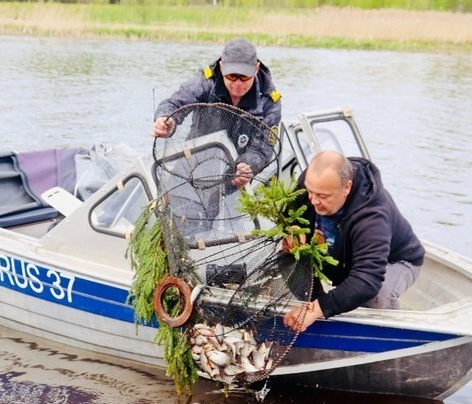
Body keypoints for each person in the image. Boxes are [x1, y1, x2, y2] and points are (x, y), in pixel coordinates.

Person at [282, 150, 425, 332]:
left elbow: (367, 279)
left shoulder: (372, 218)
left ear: (347, 188)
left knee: (377, 297)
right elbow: (291, 211)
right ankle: (319, 316)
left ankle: (382, 341)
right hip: (342, 257)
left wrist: (318, 309)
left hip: (396, 260)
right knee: (289, 255)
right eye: (311, 192)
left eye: (323, 196)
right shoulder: (313, 182)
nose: (314, 201)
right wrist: (293, 227)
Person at [151, 38, 281, 188]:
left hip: (233, 177)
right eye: (232, 76)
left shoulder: (270, 101)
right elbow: (175, 103)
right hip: (192, 165)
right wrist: (167, 121)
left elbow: (262, 148)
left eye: (244, 77)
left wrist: (247, 165)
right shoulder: (206, 82)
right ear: (222, 67)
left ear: (256, 69)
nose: (238, 83)